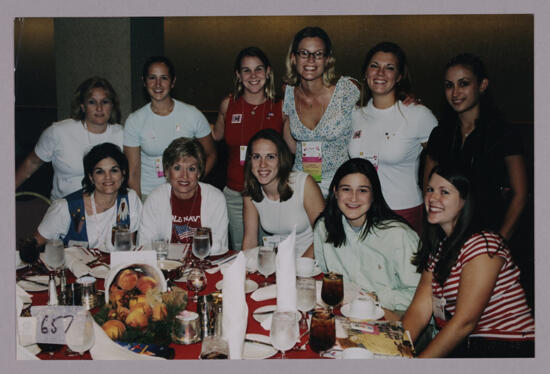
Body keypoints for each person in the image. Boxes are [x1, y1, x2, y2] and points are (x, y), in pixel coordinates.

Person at [402, 166, 534, 358]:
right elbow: (420, 311)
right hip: (471, 346)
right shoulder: (439, 249)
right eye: (430, 189)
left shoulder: (484, 245)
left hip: (509, 344)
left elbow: (464, 322)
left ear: (465, 201)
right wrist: (395, 350)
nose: (432, 198)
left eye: (444, 192)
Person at [425, 53, 527, 241]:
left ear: (482, 85)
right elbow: (429, 188)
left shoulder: (504, 133)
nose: (455, 93)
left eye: (463, 83)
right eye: (449, 85)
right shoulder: (440, 134)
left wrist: (499, 242)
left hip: (489, 234)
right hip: (446, 235)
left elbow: (520, 195)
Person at [348, 42, 437, 235]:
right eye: (374, 66)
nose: (380, 73)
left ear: (399, 77)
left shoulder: (417, 114)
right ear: (365, 72)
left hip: (403, 211)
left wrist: (430, 193)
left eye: (389, 68)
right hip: (363, 211)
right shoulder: (354, 114)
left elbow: (441, 160)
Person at [314, 158, 420, 318]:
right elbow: (323, 275)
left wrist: (376, 298)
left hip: (395, 315)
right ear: (335, 192)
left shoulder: (399, 235)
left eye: (362, 190)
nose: (353, 198)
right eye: (346, 189)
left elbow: (420, 293)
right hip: (345, 314)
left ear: (373, 195)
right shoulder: (324, 227)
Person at [212, 47, 284, 250]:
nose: (253, 76)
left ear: (268, 71)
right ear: (238, 74)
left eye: (258, 69)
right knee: (242, 251)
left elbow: (292, 148)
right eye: (246, 70)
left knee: (271, 252)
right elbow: (214, 136)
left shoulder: (280, 107)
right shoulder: (229, 104)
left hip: (271, 194)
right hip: (236, 194)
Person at [124, 56, 216, 200]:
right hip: (149, 194)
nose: (158, 84)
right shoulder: (135, 121)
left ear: (173, 82)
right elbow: (133, 172)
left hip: (185, 194)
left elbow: (210, 154)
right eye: (152, 78)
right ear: (144, 81)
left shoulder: (192, 114)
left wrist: (193, 182)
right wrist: (138, 205)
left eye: (164, 78)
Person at [282, 26, 360, 197]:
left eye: (318, 54)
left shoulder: (347, 89)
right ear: (293, 58)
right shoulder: (288, 92)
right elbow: (292, 145)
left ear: (327, 60)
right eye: (304, 53)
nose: (310, 60)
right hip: (302, 183)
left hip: (342, 186)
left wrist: (405, 95)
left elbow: (380, 101)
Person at [15, 77, 123, 200]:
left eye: (105, 102)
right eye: (92, 102)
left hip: (108, 210)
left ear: (112, 105)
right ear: (82, 106)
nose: (99, 108)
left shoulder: (122, 134)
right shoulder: (58, 132)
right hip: (64, 210)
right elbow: (32, 162)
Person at [35, 143, 142, 251]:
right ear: (91, 177)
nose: (108, 177)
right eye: (100, 172)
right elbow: (35, 245)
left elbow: (127, 250)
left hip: (118, 266)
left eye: (114, 170)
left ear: (123, 174)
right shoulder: (65, 208)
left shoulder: (130, 199)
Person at [242, 129, 324, 258]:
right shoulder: (251, 192)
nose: (262, 164)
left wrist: (300, 266)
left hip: (312, 260)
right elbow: (250, 240)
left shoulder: (304, 183)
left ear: (281, 159)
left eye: (270, 157)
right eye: (256, 157)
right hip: (278, 263)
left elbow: (324, 235)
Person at [139, 137, 228, 252]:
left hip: (203, 264)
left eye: (191, 169)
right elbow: (145, 244)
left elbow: (218, 247)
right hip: (165, 264)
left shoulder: (216, 199)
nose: (184, 176)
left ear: (199, 173)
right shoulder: (155, 199)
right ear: (166, 171)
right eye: (177, 168)